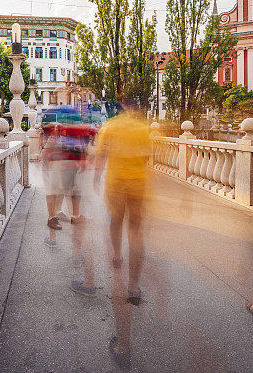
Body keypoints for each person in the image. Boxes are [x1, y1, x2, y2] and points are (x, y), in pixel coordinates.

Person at [93, 103, 152, 367]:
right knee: (136, 232)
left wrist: (96, 176)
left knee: (115, 222)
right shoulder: (142, 129)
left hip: (115, 182)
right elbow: (147, 157)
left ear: (121, 106)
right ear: (135, 108)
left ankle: (117, 255)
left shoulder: (110, 126)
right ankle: (134, 286)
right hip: (137, 183)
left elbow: (101, 155)